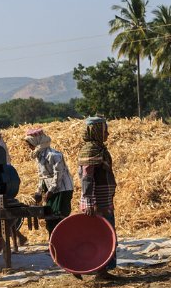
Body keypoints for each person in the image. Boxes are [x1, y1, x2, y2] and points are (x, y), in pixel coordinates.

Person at [78, 117, 118, 276]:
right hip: (96, 203)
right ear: (95, 131)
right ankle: (100, 269)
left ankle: (103, 270)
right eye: (104, 130)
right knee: (102, 235)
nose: (107, 133)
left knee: (106, 233)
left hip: (103, 201)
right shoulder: (91, 150)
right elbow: (87, 179)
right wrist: (89, 202)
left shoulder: (98, 148)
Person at [24, 128, 74, 237]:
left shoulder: (54, 155)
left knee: (59, 217)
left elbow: (58, 175)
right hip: (51, 190)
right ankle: (53, 243)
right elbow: (42, 176)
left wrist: (50, 190)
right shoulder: (39, 156)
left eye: (30, 144)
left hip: (62, 189)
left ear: (36, 142)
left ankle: (62, 242)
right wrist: (38, 192)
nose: (29, 147)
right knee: (49, 218)